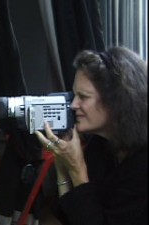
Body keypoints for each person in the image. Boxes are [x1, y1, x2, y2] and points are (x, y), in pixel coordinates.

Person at [35, 46, 147, 225]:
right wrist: (62, 167)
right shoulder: (101, 146)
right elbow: (67, 216)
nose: (73, 105)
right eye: (74, 95)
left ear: (115, 101)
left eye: (83, 97)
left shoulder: (142, 165)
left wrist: (77, 169)